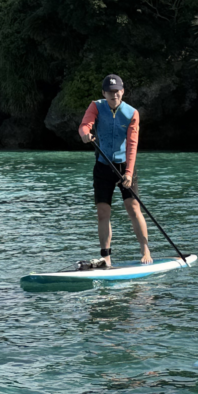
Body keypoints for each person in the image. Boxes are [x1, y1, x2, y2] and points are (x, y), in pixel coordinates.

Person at [79, 74, 153, 267]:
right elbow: (85, 125)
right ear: (104, 93)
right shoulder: (96, 106)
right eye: (110, 92)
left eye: (118, 91)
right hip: (103, 166)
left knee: (133, 207)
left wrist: (128, 173)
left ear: (123, 92)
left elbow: (132, 145)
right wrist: (86, 134)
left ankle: (145, 249)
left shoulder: (131, 113)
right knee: (103, 212)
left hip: (124, 166)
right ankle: (106, 256)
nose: (115, 95)